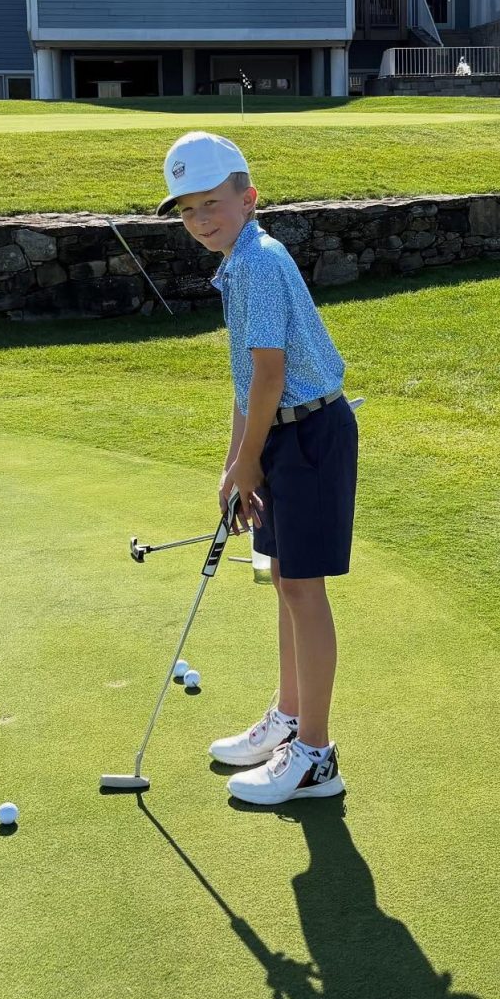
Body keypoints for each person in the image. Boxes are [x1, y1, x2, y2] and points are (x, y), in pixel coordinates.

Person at [159, 130, 359, 803]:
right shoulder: (237, 264)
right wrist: (234, 465)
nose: (200, 220)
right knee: (283, 583)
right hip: (280, 436)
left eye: (212, 203)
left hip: (309, 436)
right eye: (187, 210)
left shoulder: (261, 262)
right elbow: (248, 384)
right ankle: (290, 718)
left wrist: (251, 463)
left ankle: (316, 755)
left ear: (248, 199)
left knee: (303, 589)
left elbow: (272, 376)